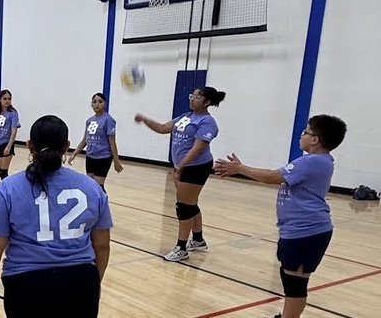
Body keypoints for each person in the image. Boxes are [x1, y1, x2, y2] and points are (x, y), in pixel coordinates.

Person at [0, 115, 112, 318]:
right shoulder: (92, 187)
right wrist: (92, 284)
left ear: (30, 146)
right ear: (66, 146)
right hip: (81, 281)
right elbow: (101, 246)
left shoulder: (7, 189)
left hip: (27, 284)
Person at [214, 115, 347, 318]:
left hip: (307, 232)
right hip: (297, 231)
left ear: (315, 139)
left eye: (305, 132)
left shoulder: (313, 162)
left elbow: (271, 177)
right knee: (291, 280)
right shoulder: (313, 161)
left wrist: (239, 168)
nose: (301, 135)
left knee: (295, 284)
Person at [134, 86, 226, 261]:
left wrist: (181, 166)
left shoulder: (207, 122)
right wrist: (144, 119)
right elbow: (162, 128)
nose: (192, 98)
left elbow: (198, 148)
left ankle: (181, 248)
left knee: (184, 207)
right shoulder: (185, 117)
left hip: (196, 166)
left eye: (197, 97)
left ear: (206, 102)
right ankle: (198, 240)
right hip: (184, 166)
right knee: (190, 204)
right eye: (192, 95)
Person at [67, 93, 123, 193]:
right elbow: (85, 140)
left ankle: (103, 204)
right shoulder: (89, 121)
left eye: (100, 102)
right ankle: (93, 205)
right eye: (94, 102)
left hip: (103, 157)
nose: (97, 104)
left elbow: (112, 142)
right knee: (90, 184)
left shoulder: (109, 120)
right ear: (91, 104)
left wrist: (116, 161)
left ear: (105, 104)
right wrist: (74, 153)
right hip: (90, 157)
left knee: (98, 186)